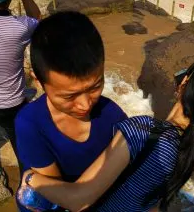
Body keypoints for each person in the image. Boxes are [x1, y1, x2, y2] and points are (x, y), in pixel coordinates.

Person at [18, 47, 194, 211]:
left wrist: (31, 178)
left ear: (183, 84)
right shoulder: (192, 151)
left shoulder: (140, 131)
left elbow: (79, 200)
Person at [15, 11, 127, 212]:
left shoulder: (113, 115)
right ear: (39, 81)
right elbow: (59, 198)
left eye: (95, 87)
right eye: (69, 96)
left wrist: (31, 178)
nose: (85, 104)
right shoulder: (30, 124)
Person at [0, 0, 40, 155]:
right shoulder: (21, 28)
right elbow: (36, 15)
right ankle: (27, 180)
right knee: (25, 151)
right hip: (11, 104)